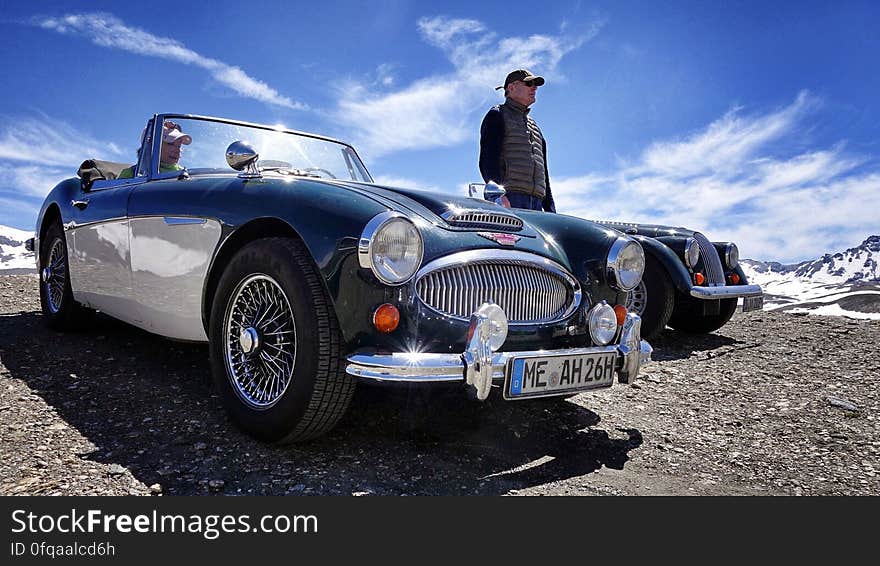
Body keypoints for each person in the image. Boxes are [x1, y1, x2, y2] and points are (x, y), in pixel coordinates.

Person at [478, 69, 556, 212]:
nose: (534, 88)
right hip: (510, 199)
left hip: (537, 204)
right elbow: (488, 161)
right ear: (511, 87)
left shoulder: (536, 128)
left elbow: (544, 173)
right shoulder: (497, 115)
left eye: (535, 85)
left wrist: (550, 209)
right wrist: (498, 196)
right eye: (529, 83)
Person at [118, 121, 192, 179]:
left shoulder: (185, 174)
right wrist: (155, 127)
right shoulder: (131, 173)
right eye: (170, 144)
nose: (177, 150)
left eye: (179, 146)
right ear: (151, 146)